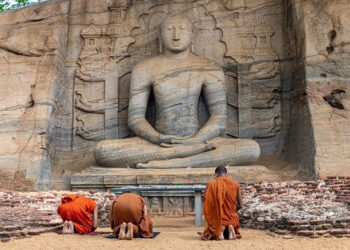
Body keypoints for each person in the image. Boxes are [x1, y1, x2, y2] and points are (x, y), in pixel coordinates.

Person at [94, 14, 260, 169]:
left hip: (199, 140)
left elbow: (219, 119)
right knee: (102, 151)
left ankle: (167, 163)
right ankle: (183, 157)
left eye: (182, 29)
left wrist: (196, 140)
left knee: (251, 149)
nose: (175, 35)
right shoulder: (144, 68)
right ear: (160, 35)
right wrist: (157, 138)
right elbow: (135, 119)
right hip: (158, 143)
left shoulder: (209, 67)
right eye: (170, 29)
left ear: (192, 33)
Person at [201, 166, 243, 240]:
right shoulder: (235, 184)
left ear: (216, 174)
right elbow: (240, 205)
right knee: (231, 217)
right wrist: (233, 211)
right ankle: (230, 228)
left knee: (212, 220)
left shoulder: (211, 184)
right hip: (231, 218)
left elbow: (208, 204)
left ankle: (220, 231)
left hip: (218, 220)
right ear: (227, 174)